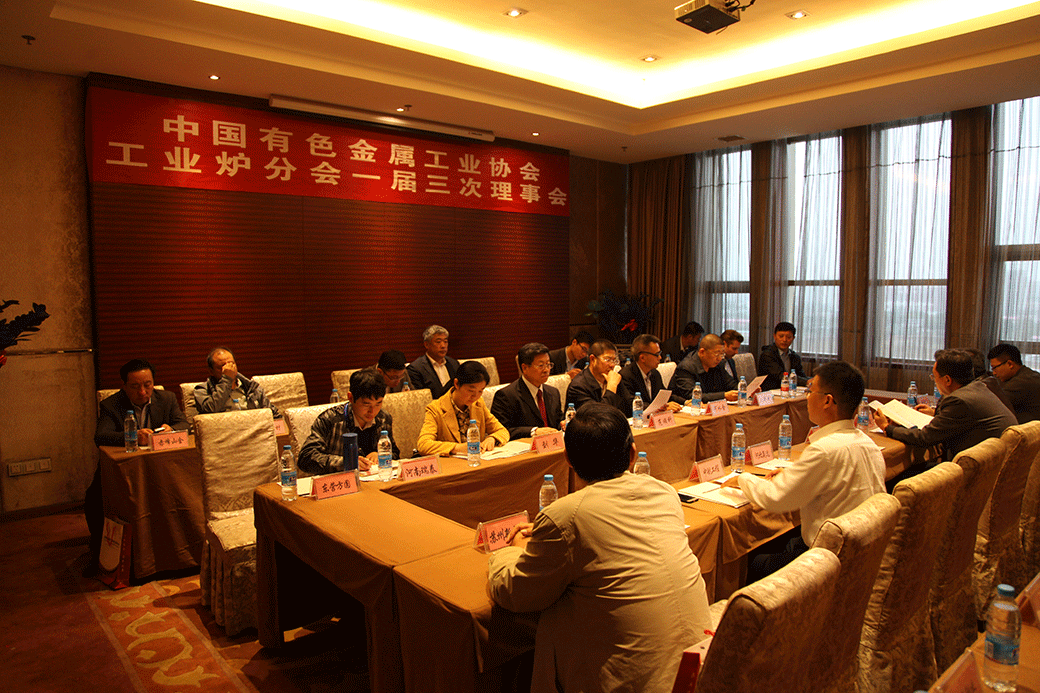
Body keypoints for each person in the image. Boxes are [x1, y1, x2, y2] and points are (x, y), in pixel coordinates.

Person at [487, 403, 712, 693]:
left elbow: (516, 592)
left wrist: (510, 550)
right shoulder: (665, 493)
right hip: (699, 668)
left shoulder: (566, 516)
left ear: (568, 459)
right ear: (632, 454)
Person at [725, 361, 885, 580]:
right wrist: (792, 474)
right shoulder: (868, 443)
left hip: (825, 562)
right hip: (860, 555)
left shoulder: (824, 450)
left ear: (827, 401)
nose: (807, 397)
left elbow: (775, 498)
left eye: (811, 392)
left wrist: (743, 479)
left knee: (749, 562)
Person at [88, 358, 189, 575]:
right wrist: (133, 435)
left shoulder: (167, 398)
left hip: (160, 468)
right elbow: (101, 436)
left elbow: (184, 424)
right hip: (123, 468)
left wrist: (170, 429)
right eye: (135, 386)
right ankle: (101, 555)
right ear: (124, 386)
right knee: (94, 497)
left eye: (147, 385)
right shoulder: (111, 405)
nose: (142, 391)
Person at [874, 349, 1017, 462]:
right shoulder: (979, 387)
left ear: (947, 380)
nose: (934, 381)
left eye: (934, 377)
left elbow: (924, 437)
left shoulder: (958, 400)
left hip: (982, 470)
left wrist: (887, 427)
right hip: (997, 462)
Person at [299, 368, 400, 474]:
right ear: (351, 398)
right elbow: (305, 458)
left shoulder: (383, 418)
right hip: (339, 480)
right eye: (366, 404)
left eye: (378, 404)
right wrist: (346, 462)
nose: (372, 411)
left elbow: (395, 454)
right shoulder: (330, 419)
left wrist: (381, 455)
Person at [416, 360, 508, 456]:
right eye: (471, 391)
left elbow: (502, 430)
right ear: (456, 384)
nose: (475, 396)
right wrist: (457, 448)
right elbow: (423, 445)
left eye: (480, 391)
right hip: (452, 463)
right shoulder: (436, 408)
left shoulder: (478, 404)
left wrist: (492, 438)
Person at [491, 343, 564, 440]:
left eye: (548, 364)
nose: (546, 370)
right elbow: (501, 431)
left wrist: (563, 424)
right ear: (524, 368)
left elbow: (558, 421)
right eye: (541, 365)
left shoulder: (553, 392)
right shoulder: (506, 396)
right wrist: (533, 431)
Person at [193, 347, 279, 416]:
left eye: (231, 364)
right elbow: (210, 411)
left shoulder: (252, 388)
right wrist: (227, 380)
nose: (228, 369)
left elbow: (273, 414)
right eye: (221, 367)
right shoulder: (202, 390)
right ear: (211, 371)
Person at [617, 334, 682, 416]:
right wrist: (661, 407)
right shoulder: (625, 375)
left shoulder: (655, 373)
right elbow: (632, 405)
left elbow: (664, 395)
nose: (660, 357)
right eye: (656, 354)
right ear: (642, 358)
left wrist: (686, 402)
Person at [670, 333, 738, 404]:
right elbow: (692, 396)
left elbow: (731, 385)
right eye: (717, 354)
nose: (719, 358)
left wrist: (740, 391)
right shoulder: (686, 367)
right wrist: (723, 395)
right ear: (702, 352)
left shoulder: (718, 364)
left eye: (722, 354)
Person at [564, 339, 626, 413]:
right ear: (593, 359)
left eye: (614, 360)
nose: (612, 365)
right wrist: (611, 387)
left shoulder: (614, 378)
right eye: (607, 360)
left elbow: (630, 407)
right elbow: (598, 415)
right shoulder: (578, 386)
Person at [988, 343, 1040, 424]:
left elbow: (991, 405)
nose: (994, 373)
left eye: (994, 368)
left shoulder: (1022, 382)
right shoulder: (1026, 374)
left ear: (1010, 364)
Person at [406, 325, 460, 400]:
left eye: (445, 342)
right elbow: (420, 399)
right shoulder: (415, 369)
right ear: (426, 344)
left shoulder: (454, 363)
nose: (443, 346)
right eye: (438, 342)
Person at [758, 321, 808, 390]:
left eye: (789, 337)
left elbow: (801, 375)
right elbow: (781, 376)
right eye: (781, 336)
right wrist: (806, 381)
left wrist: (810, 381)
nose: (784, 340)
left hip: (789, 391)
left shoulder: (794, 356)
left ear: (793, 338)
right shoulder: (767, 354)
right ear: (774, 336)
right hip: (771, 391)